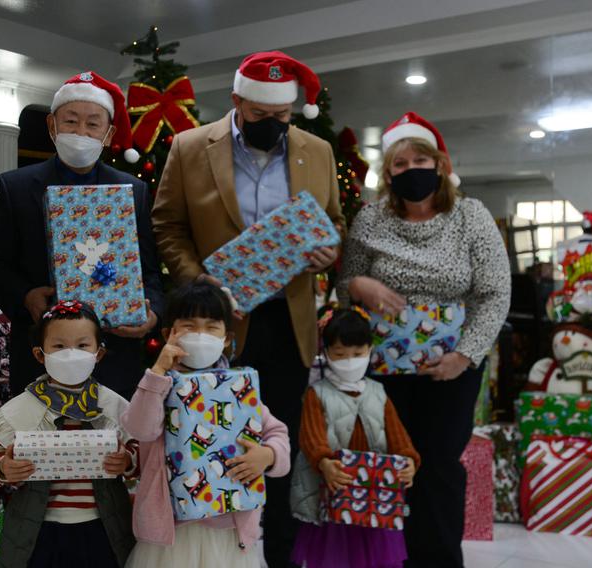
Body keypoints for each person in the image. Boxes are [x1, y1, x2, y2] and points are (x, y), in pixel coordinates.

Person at [152, 51, 343, 566]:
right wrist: (198, 284)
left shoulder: (317, 151)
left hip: (288, 323)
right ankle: (204, 554)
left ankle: (274, 555)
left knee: (276, 443)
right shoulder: (191, 147)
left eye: (282, 117)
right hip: (213, 324)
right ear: (236, 100)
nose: (272, 126)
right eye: (260, 116)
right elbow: (167, 224)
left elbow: (333, 221)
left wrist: (330, 249)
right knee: (201, 438)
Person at [337, 112, 510, 568]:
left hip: (448, 371)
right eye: (399, 163)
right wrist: (360, 287)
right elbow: (345, 280)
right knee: (387, 465)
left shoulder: (470, 216)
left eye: (420, 159)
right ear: (388, 173)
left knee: (437, 470)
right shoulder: (370, 219)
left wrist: (465, 356)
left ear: (438, 164)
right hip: (382, 371)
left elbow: (495, 293)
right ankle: (389, 559)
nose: (411, 169)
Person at [0, 70, 164, 400]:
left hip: (114, 355)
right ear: (53, 126)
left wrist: (151, 313)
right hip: (42, 353)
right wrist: (25, 295)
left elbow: (150, 269)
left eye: (92, 124)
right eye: (70, 121)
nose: (80, 132)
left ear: (108, 134)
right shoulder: (16, 187)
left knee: (115, 449)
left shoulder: (133, 191)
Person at [120, 282, 290, 568]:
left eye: (211, 327)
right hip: (173, 532)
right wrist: (158, 371)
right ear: (168, 334)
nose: (200, 335)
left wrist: (268, 455)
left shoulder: (239, 387)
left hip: (229, 528)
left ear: (226, 338)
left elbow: (277, 433)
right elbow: (140, 428)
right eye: (189, 326)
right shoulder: (158, 385)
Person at [0, 300, 137, 568]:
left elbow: (141, 455)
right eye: (59, 346)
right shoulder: (23, 408)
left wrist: (127, 461)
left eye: (82, 345)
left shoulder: (114, 405)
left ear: (98, 353)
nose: (71, 354)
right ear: (40, 354)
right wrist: (5, 468)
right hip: (38, 529)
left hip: (104, 526)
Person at [290, 307, 419, 568]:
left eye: (357, 354)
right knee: (333, 558)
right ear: (326, 353)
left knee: (375, 560)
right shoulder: (317, 394)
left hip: (375, 501)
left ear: (370, 350)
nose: (349, 360)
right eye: (340, 354)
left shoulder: (378, 392)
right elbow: (311, 437)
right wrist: (324, 462)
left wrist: (408, 461)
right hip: (333, 496)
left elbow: (398, 436)